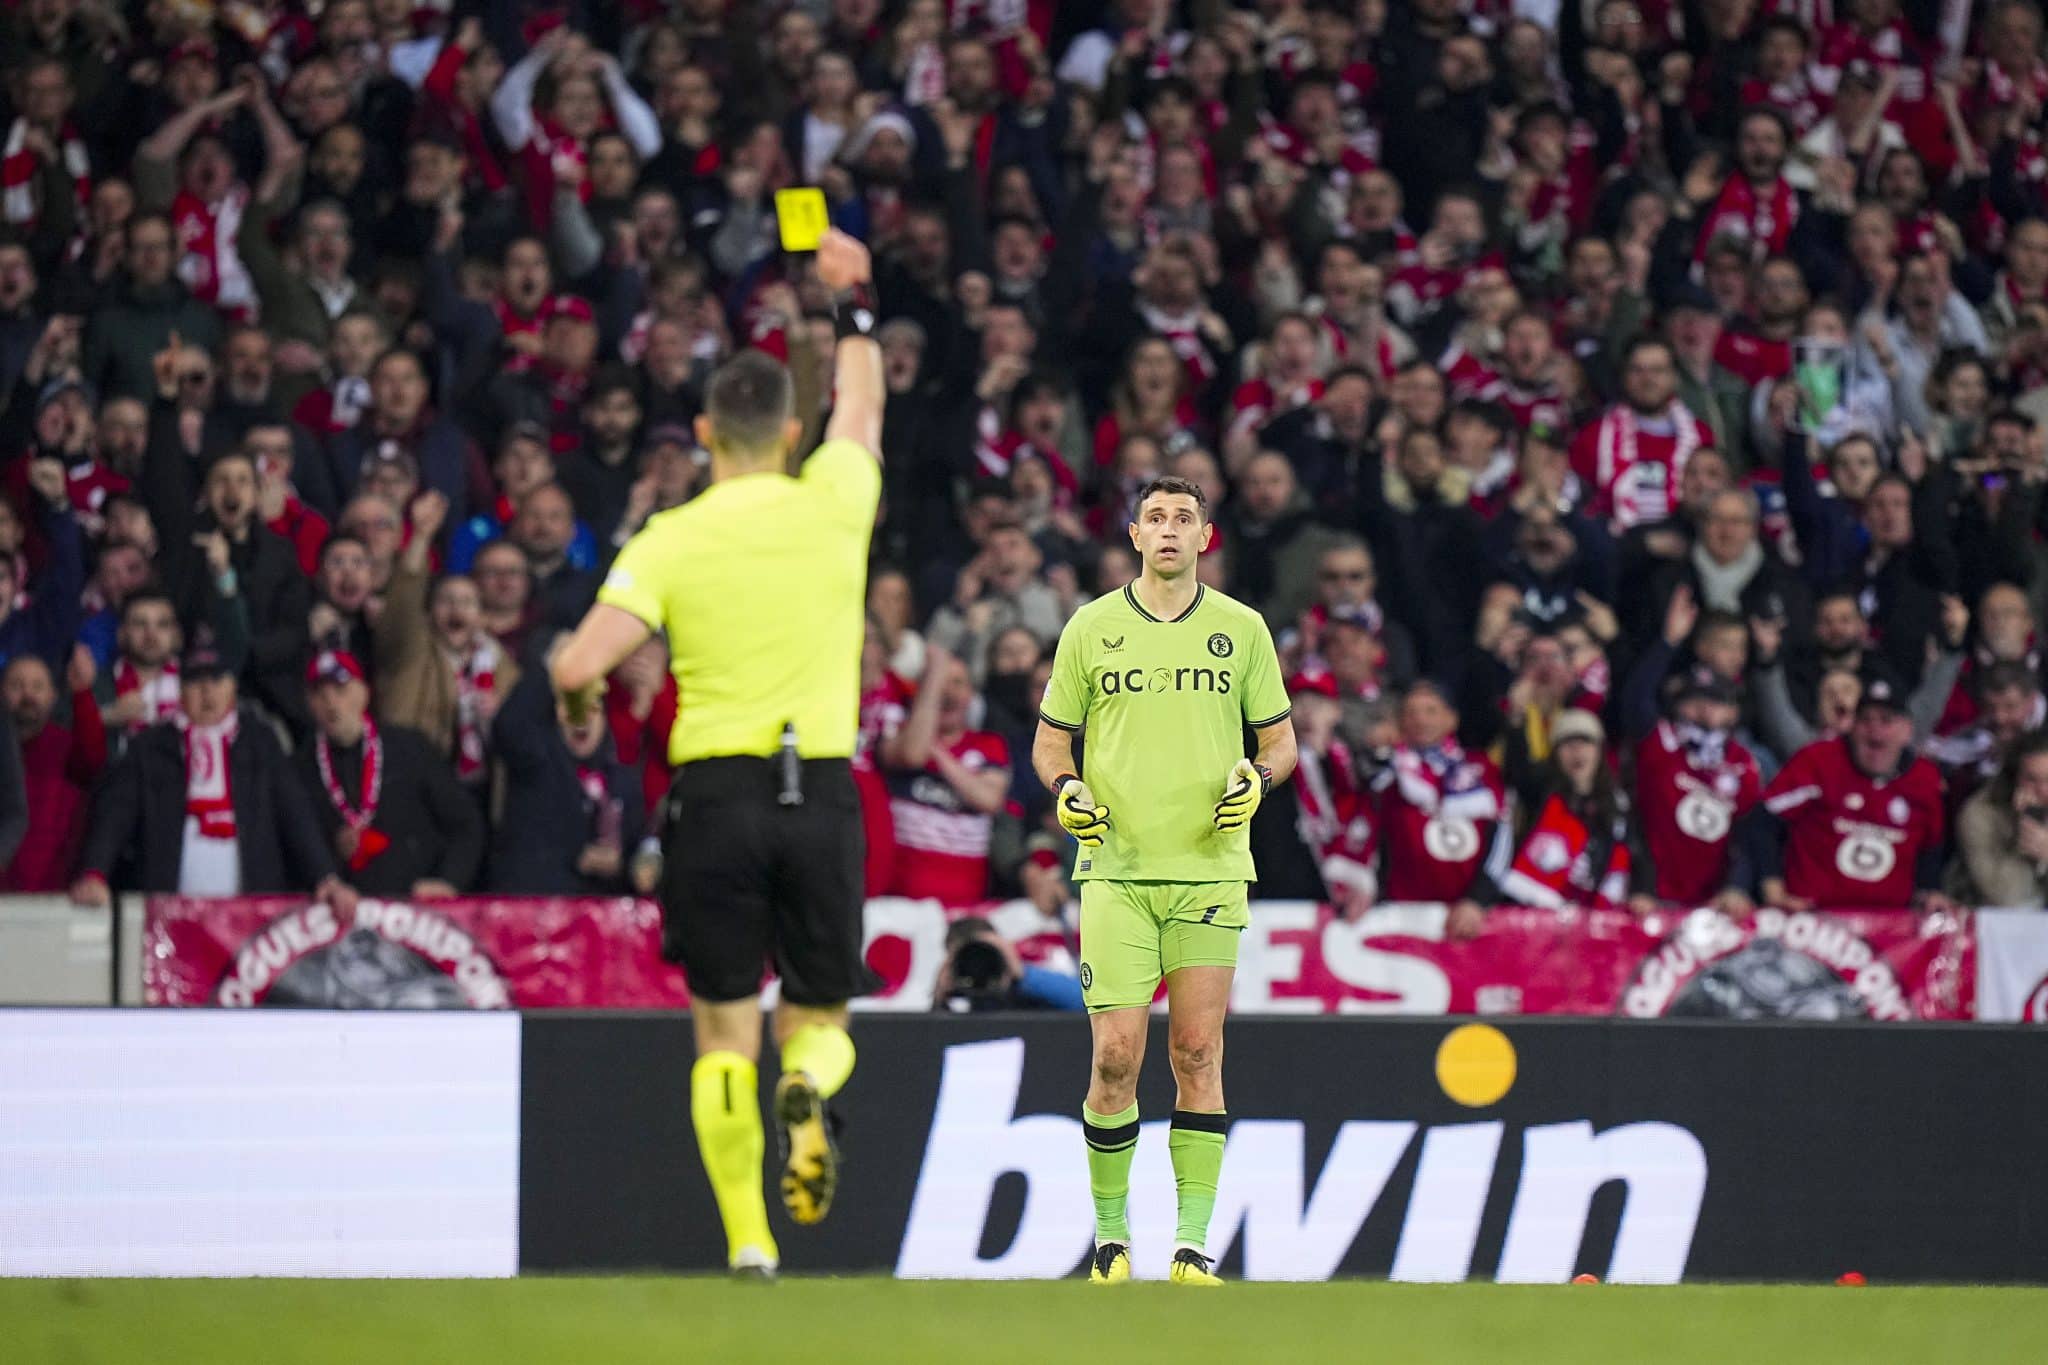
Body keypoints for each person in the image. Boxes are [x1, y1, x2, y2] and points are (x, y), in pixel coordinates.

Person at [547, 229, 884, 1277]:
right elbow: (862, 405)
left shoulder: (672, 536)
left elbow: (576, 664)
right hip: (817, 787)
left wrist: (580, 710)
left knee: (722, 1037)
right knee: (816, 1021)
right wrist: (851, 299)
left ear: (704, 433)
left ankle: (748, 1243)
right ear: (789, 433)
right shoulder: (834, 502)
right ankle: (808, 1086)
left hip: (715, 799)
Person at [1032, 471, 1297, 1287]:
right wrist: (1066, 789)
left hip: (1210, 871)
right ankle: (1111, 1243)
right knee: (1115, 1057)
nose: (1171, 528)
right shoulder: (1091, 627)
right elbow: (1051, 743)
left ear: (1206, 537)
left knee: (1197, 1049)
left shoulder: (1242, 630)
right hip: (1116, 871)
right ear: (1136, 535)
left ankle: (1190, 1247)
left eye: (1185, 516)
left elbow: (1280, 743)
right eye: (1156, 516)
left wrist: (1258, 778)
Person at [71, 631, 353, 908]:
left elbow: (295, 812)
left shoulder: (260, 742)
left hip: (251, 911)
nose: (207, 691)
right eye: (196, 681)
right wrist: (95, 873)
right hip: (166, 912)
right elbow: (115, 816)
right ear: (180, 689)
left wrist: (324, 876)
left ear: (232, 686)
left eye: (217, 679)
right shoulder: (150, 747)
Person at [1723, 670, 1954, 915]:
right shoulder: (1819, 761)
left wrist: (1930, 890)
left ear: (1907, 730)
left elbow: (1931, 846)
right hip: (1811, 920)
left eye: (1886, 721)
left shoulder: (1924, 778)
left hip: (1891, 926)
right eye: (1865, 720)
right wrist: (1772, 886)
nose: (1875, 731)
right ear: (1852, 727)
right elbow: (1762, 819)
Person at [295, 648, 484, 899]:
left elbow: (466, 824)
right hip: (344, 911)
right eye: (319, 694)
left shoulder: (408, 748)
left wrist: (449, 881)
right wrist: (332, 853)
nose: (331, 703)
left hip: (417, 910)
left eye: (340, 690)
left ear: (364, 693)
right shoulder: (301, 768)